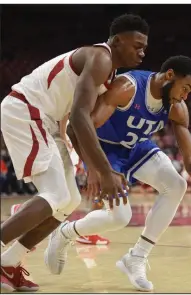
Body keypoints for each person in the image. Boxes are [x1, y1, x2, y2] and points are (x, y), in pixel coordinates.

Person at [45, 56, 191, 292]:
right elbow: (79, 127)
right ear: (170, 76)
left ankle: (136, 257)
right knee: (120, 217)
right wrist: (94, 167)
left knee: (176, 185)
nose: (186, 96)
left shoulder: (177, 108)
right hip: (105, 149)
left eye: (190, 91)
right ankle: (65, 233)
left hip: (136, 147)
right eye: (185, 88)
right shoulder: (128, 88)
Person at [0, 14, 149, 292]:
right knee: (55, 195)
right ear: (117, 41)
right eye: (136, 45)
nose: (141, 52)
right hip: (28, 110)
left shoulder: (108, 73)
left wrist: (94, 168)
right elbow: (80, 117)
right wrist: (104, 171)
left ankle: (8, 263)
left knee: (69, 201)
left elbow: (73, 129)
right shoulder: (101, 58)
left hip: (49, 121)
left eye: (144, 48)